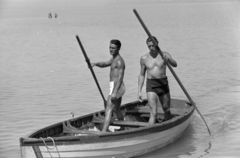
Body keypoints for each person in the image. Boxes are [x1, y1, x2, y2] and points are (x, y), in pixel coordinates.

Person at [137, 36, 177, 125]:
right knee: (153, 112)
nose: (151, 48)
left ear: (157, 44)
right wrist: (139, 91)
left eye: (153, 45)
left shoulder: (164, 55)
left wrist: (169, 60)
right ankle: (149, 132)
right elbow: (142, 74)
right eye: (149, 46)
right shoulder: (144, 58)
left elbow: (175, 65)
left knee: (166, 109)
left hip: (163, 84)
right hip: (151, 85)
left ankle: (169, 127)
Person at [91, 39, 126, 132]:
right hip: (115, 86)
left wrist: (114, 92)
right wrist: (95, 64)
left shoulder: (119, 61)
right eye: (110, 47)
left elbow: (120, 78)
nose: (110, 49)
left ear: (118, 49)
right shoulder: (113, 59)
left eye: (113, 48)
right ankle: (122, 127)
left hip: (117, 86)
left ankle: (104, 132)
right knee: (117, 109)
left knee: (108, 109)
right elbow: (105, 64)